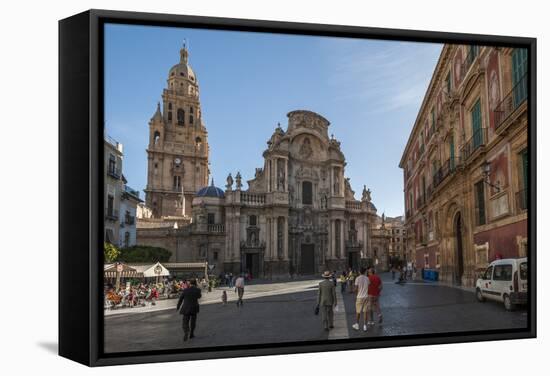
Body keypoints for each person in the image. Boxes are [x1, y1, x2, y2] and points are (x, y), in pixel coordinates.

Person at [352, 267, 370, 332]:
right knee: (365, 312)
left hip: (359, 297)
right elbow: (369, 286)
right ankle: (365, 326)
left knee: (358, 311)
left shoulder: (357, 278)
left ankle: (357, 324)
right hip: (366, 297)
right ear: (365, 271)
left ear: (359, 272)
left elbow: (356, 288)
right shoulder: (367, 278)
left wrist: (354, 292)